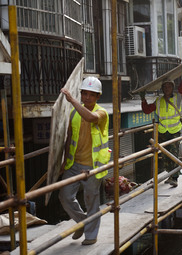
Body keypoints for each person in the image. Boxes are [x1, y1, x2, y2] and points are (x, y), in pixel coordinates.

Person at [59, 76, 110, 245]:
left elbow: (90, 117)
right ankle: (81, 223)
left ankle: (91, 236)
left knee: (91, 202)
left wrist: (72, 100)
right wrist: (63, 162)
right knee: (65, 196)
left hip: (92, 165)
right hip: (74, 164)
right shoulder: (74, 113)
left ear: (98, 97)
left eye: (91, 94)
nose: (87, 97)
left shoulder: (101, 113)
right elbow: (69, 138)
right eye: (84, 93)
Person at [140, 72, 182, 187]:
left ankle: (175, 178)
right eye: (165, 87)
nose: (167, 89)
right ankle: (171, 174)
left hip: (174, 131)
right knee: (165, 156)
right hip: (162, 132)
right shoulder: (158, 101)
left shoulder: (178, 98)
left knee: (173, 153)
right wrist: (143, 99)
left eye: (169, 87)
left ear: (172, 88)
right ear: (162, 89)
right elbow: (147, 110)